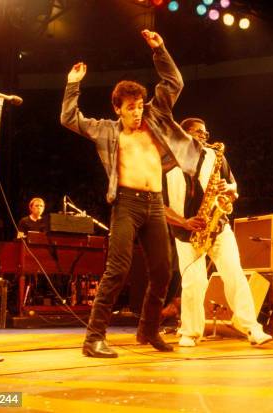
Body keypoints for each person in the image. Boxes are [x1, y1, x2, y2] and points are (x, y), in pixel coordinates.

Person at [60, 30, 201, 358]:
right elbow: (69, 118)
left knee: (164, 272)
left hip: (154, 206)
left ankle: (148, 330)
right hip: (126, 204)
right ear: (118, 109)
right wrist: (72, 84)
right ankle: (93, 338)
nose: (138, 112)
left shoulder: (155, 117)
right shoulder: (106, 131)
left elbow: (174, 82)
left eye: (140, 105)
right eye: (131, 108)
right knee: (118, 269)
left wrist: (160, 49)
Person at [163, 117, 272, 347]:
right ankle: (190, 332)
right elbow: (156, 205)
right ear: (183, 135)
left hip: (218, 225)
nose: (204, 136)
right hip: (185, 233)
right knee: (193, 282)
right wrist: (183, 222)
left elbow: (234, 187)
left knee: (234, 275)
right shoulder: (167, 162)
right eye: (198, 132)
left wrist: (228, 189)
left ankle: (252, 328)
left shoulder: (214, 157)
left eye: (205, 133)